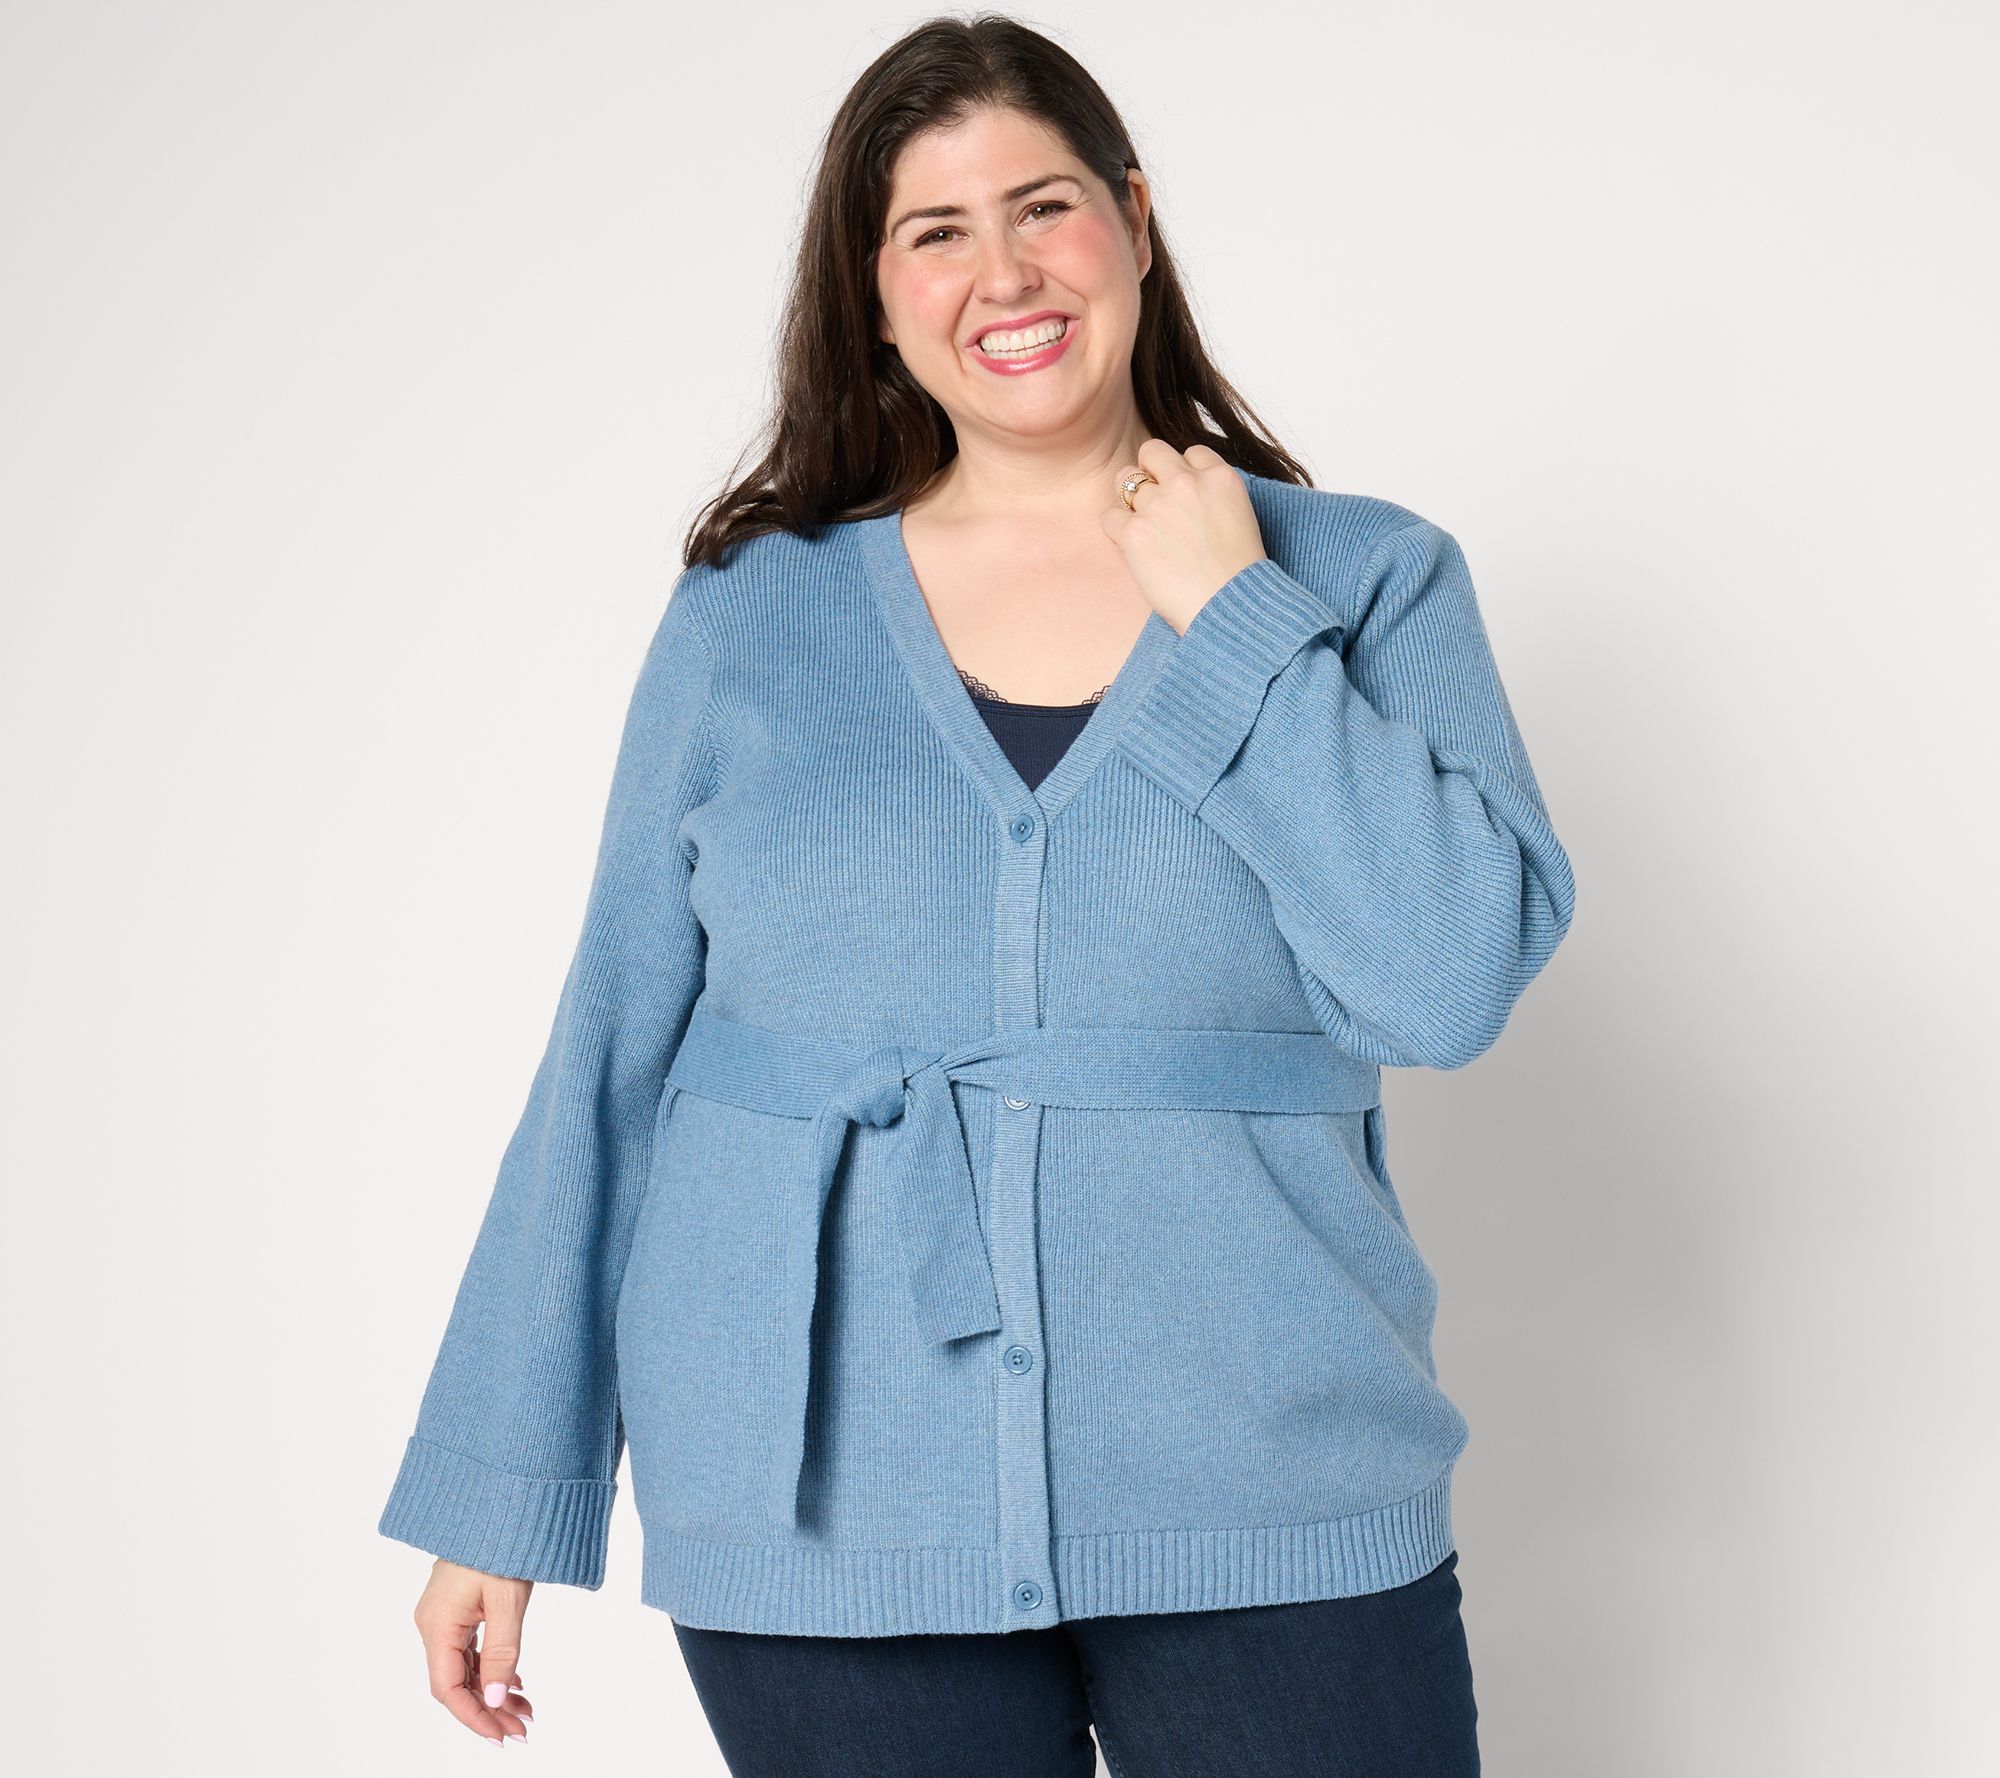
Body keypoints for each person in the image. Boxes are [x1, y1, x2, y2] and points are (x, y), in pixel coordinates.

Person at [377, 14, 1577, 1775]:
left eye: (1043, 206)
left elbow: (1447, 978)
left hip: (1271, 1481)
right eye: (935, 231)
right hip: (824, 1503)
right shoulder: (753, 614)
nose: (1003, 274)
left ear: (1134, 221)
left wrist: (1236, 625)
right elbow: (609, 1053)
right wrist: (503, 1485)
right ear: (873, 295)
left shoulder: (1365, 579)